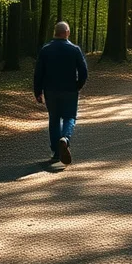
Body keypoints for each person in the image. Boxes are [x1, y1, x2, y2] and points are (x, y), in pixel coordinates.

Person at [33, 21, 88, 165]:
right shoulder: (74, 49)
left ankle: (56, 153)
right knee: (70, 117)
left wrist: (38, 92)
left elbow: (38, 73)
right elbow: (84, 71)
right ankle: (65, 138)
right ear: (67, 33)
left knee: (54, 119)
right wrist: (78, 86)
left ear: (55, 33)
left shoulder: (45, 50)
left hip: (50, 91)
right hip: (70, 90)